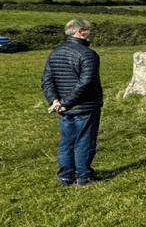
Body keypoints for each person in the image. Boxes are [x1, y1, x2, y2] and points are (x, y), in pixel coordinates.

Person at [40, 18, 103, 186]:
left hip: (63, 108)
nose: (92, 34)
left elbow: (47, 81)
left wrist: (55, 101)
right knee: (85, 142)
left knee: (67, 142)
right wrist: (64, 103)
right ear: (80, 32)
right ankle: (84, 177)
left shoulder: (55, 53)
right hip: (85, 105)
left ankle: (66, 176)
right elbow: (86, 83)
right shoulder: (88, 54)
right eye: (90, 30)